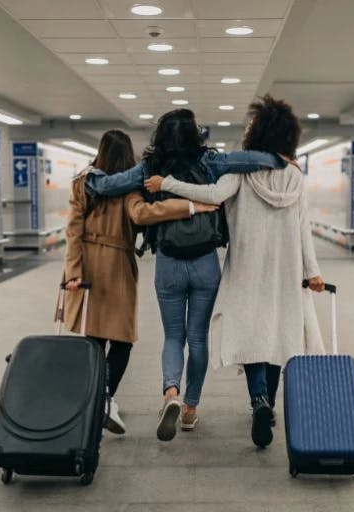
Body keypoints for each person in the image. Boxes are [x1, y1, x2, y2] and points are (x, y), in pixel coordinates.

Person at [81, 109, 286, 443]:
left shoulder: (150, 167)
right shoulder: (211, 161)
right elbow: (252, 160)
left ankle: (170, 392)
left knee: (173, 336)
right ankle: (190, 408)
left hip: (169, 262)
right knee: (199, 339)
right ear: (195, 134)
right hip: (205, 261)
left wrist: (91, 178)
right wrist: (279, 159)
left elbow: (108, 185)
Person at [145, 95, 326, 448]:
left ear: (260, 133)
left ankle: (256, 399)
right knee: (277, 335)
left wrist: (166, 183)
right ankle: (266, 404)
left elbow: (210, 195)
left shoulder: (240, 174)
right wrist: (313, 271)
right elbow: (304, 227)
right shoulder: (295, 177)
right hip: (285, 271)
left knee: (252, 337)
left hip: (246, 266)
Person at [62, 129, 217, 436]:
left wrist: (74, 272)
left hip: (88, 269)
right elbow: (146, 213)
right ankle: (105, 397)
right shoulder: (129, 189)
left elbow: (73, 231)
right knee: (121, 342)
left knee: (93, 339)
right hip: (117, 267)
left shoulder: (82, 184)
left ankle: (94, 398)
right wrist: (190, 206)